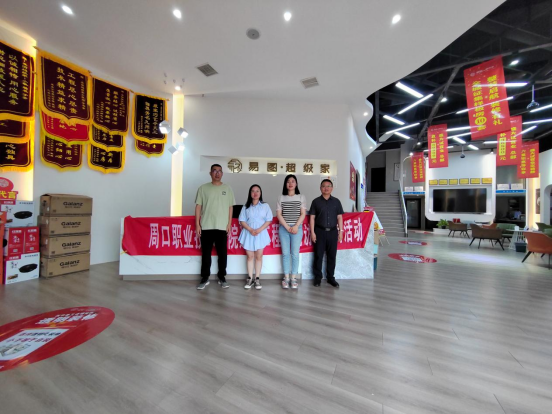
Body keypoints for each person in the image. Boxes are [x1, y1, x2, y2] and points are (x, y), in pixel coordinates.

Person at [195, 164, 235, 290]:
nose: (217, 173)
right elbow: (198, 207)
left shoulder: (227, 188)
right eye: (214, 171)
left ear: (222, 173)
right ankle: (205, 277)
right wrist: (197, 224)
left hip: (222, 227)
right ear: (210, 173)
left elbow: (230, 207)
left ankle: (222, 277)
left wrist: (229, 224)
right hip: (206, 226)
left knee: (222, 254)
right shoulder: (203, 188)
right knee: (206, 254)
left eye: (219, 171)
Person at [309, 179, 344, 288]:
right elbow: (312, 218)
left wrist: (341, 231)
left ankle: (330, 277)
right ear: (320, 188)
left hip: (333, 232)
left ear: (332, 188)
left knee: (332, 255)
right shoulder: (315, 202)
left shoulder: (336, 202)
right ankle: (317, 278)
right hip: (319, 231)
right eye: (324, 186)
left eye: (328, 186)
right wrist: (312, 232)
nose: (326, 188)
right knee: (318, 255)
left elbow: (339, 217)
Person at [238, 185, 273, 290]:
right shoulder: (246, 207)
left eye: (257, 191)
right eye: (253, 191)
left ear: (260, 193)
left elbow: (269, 219)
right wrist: (250, 229)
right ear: (250, 193)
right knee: (250, 257)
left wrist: (259, 230)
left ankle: (257, 278)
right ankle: (249, 278)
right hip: (248, 233)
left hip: (260, 233)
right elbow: (242, 220)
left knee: (259, 256)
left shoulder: (265, 206)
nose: (255, 193)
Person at [277, 174, 307, 289]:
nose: (290, 183)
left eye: (293, 181)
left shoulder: (301, 197)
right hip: (284, 229)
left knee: (295, 254)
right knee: (285, 254)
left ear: (296, 184)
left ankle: (293, 277)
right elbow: (279, 214)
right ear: (285, 184)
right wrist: (287, 227)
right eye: (288, 181)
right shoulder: (281, 198)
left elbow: (303, 213)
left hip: (297, 228)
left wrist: (296, 226)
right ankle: (286, 277)